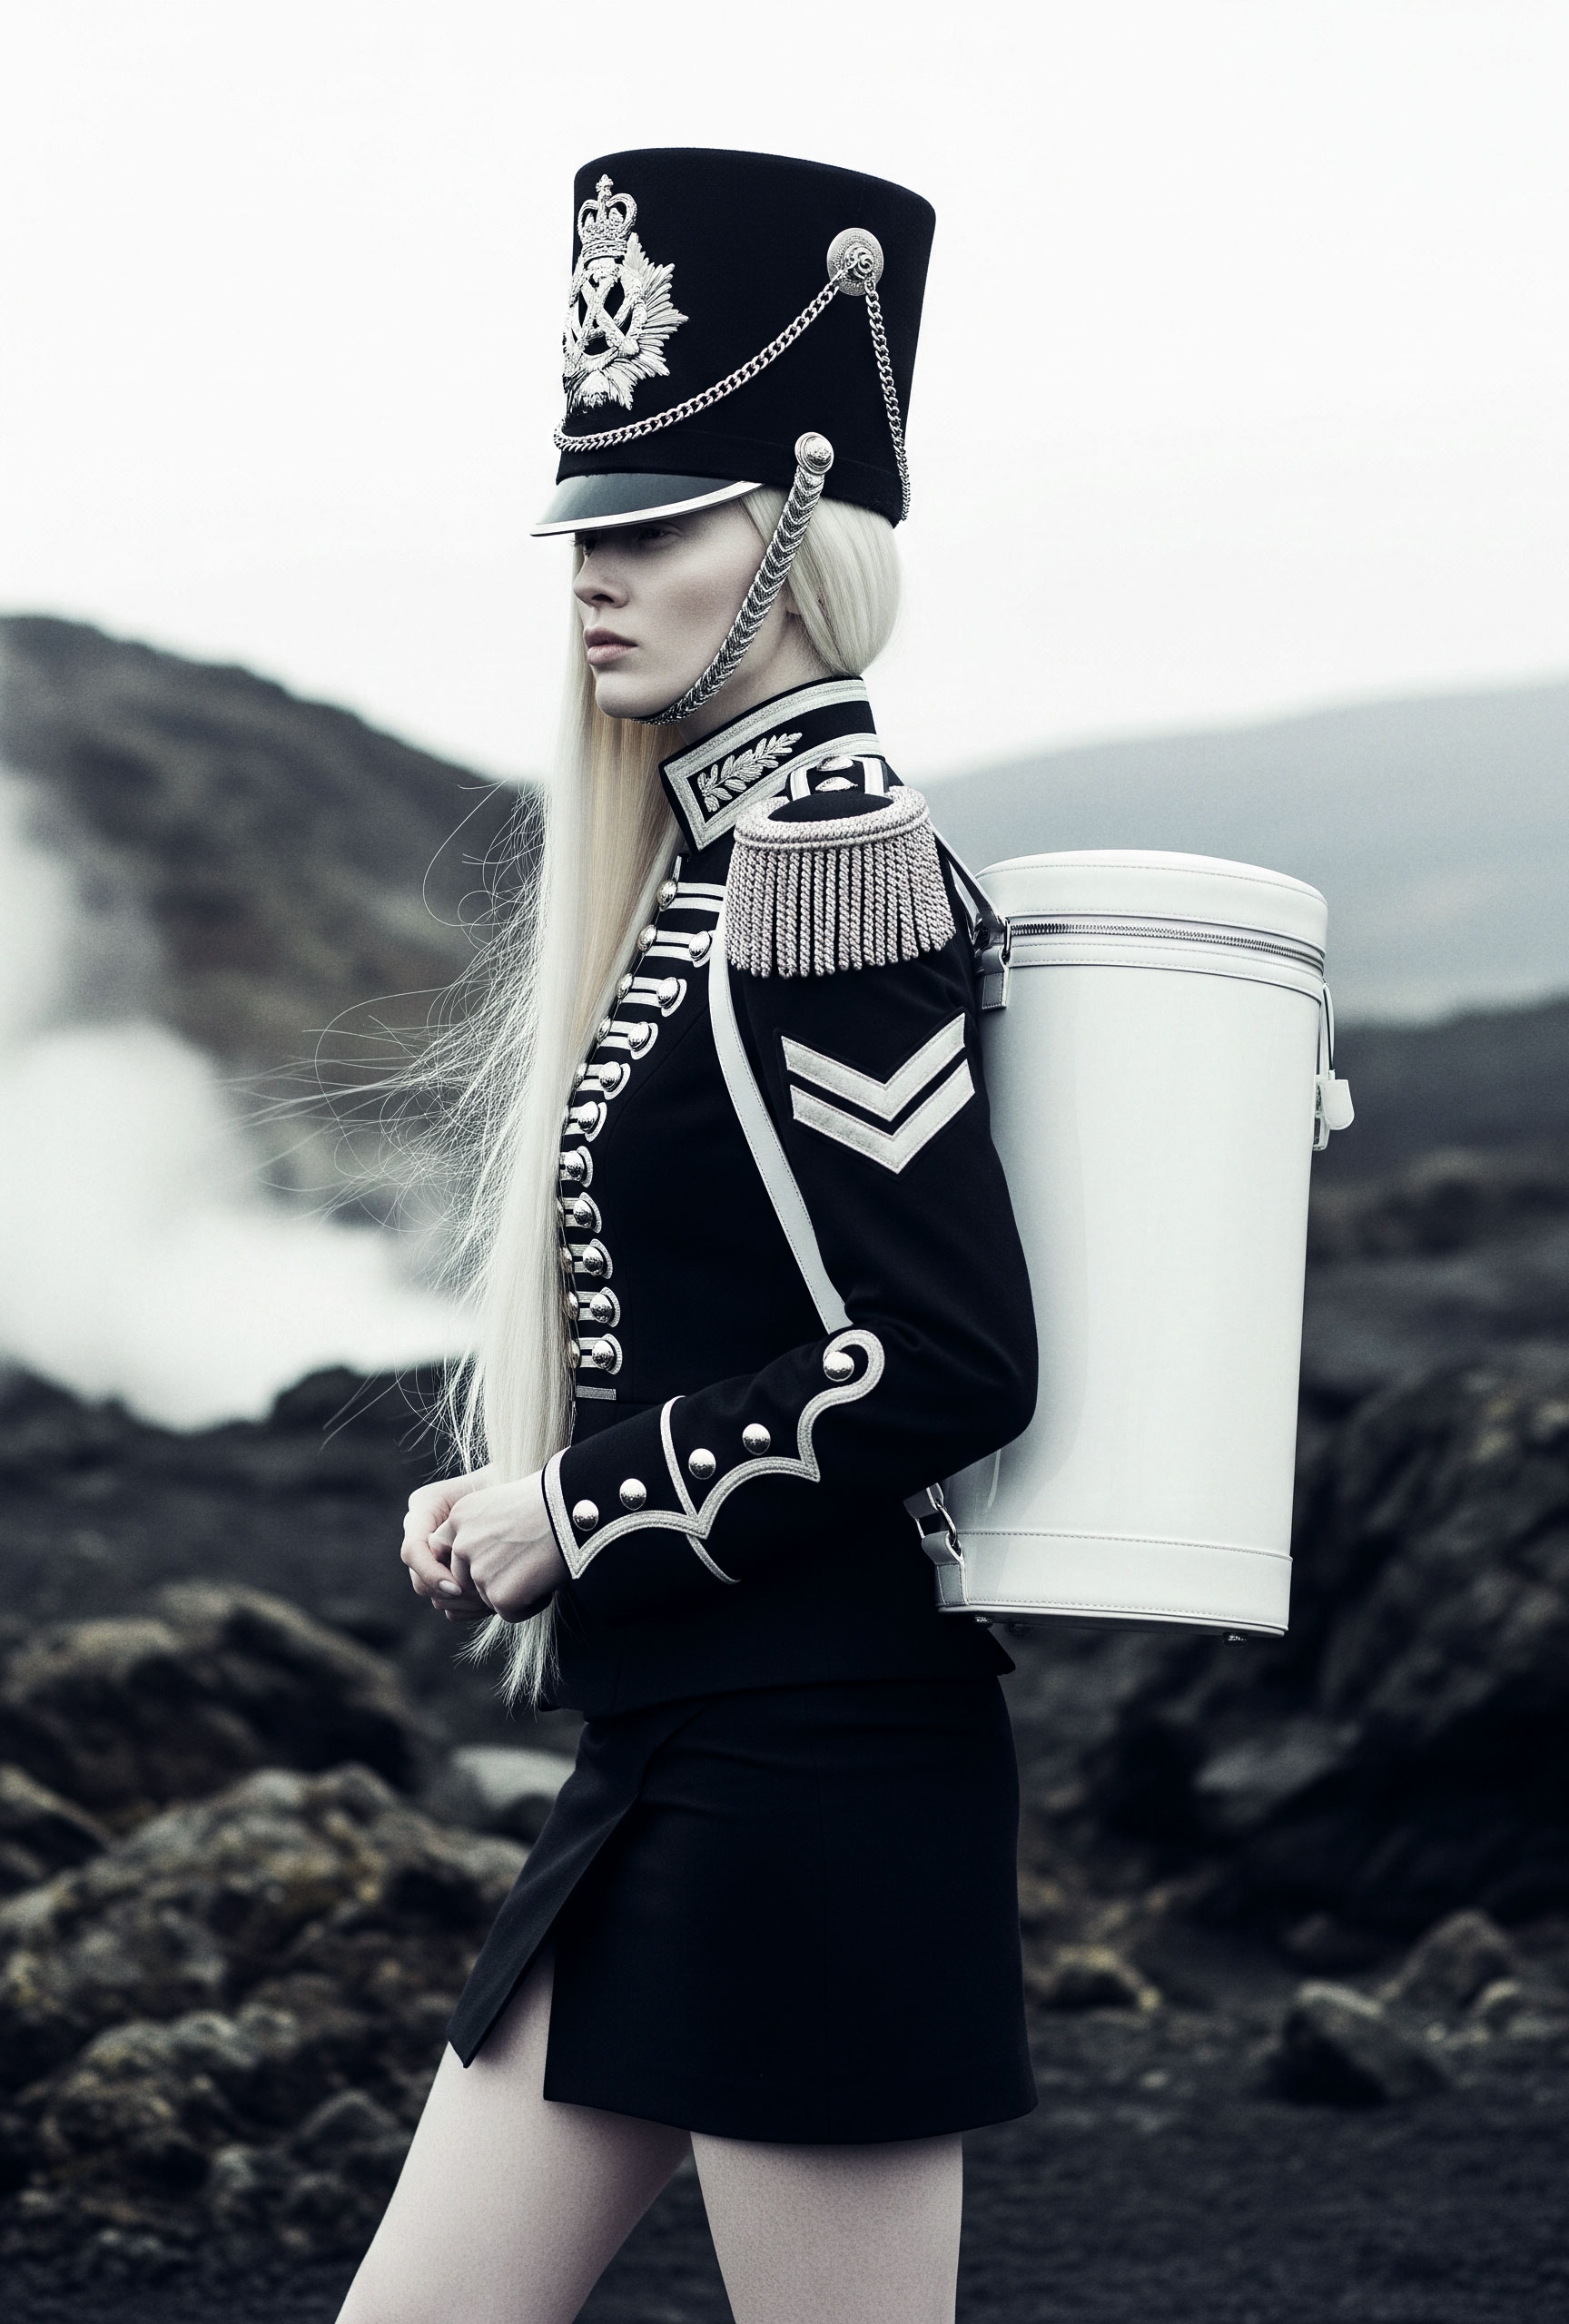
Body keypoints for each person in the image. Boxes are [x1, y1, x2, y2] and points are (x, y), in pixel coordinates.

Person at [339, 147, 1039, 2324]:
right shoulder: (707, 866)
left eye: (655, 525)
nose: (596, 576)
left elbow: (943, 1356)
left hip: (821, 1782)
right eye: (585, 531)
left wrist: (574, 1508)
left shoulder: (834, 871)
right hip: (673, 1756)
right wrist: (532, 1487)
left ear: (800, 531)